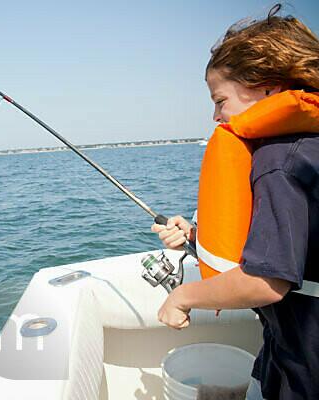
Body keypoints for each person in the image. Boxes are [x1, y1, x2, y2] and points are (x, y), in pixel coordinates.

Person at [151, 7, 319, 400]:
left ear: (267, 89)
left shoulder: (278, 163)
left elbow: (267, 281)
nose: (215, 115)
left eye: (220, 100)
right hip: (287, 350)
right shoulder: (308, 151)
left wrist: (182, 296)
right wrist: (197, 237)